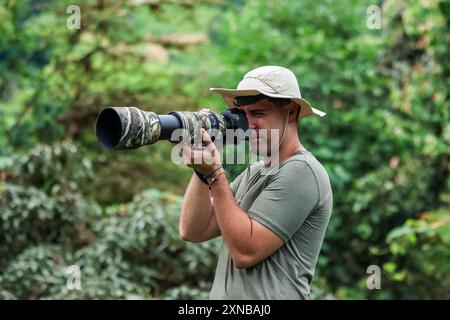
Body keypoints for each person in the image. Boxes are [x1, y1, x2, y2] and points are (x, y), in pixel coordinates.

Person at [178, 65, 333, 299]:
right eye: (243, 115)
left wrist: (215, 175)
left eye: (258, 113)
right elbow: (193, 229)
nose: (248, 126)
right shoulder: (257, 171)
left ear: (291, 112)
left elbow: (246, 253)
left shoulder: (302, 170)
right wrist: (202, 171)